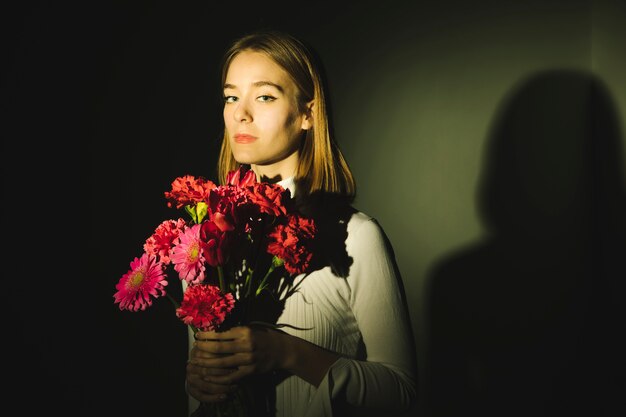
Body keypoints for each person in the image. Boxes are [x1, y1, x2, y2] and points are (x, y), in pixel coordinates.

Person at [185, 29, 418, 417]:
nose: (240, 113)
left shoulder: (356, 236)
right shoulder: (203, 241)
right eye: (231, 96)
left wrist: (288, 353)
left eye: (264, 96)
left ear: (308, 113)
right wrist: (199, 385)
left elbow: (401, 390)